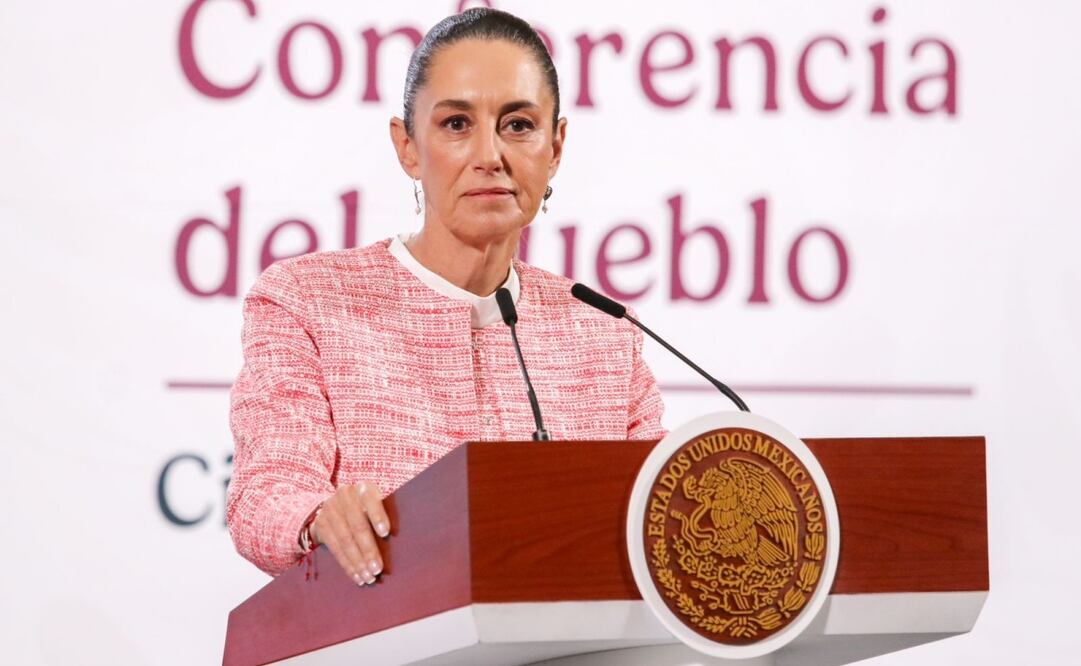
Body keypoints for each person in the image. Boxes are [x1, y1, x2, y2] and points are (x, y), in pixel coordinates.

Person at [226, 7, 666, 584]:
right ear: (407, 146)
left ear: (555, 146)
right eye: (456, 124)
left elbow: (659, 523)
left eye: (518, 125)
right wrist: (319, 518)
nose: (490, 155)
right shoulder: (307, 302)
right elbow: (265, 494)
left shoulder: (606, 333)